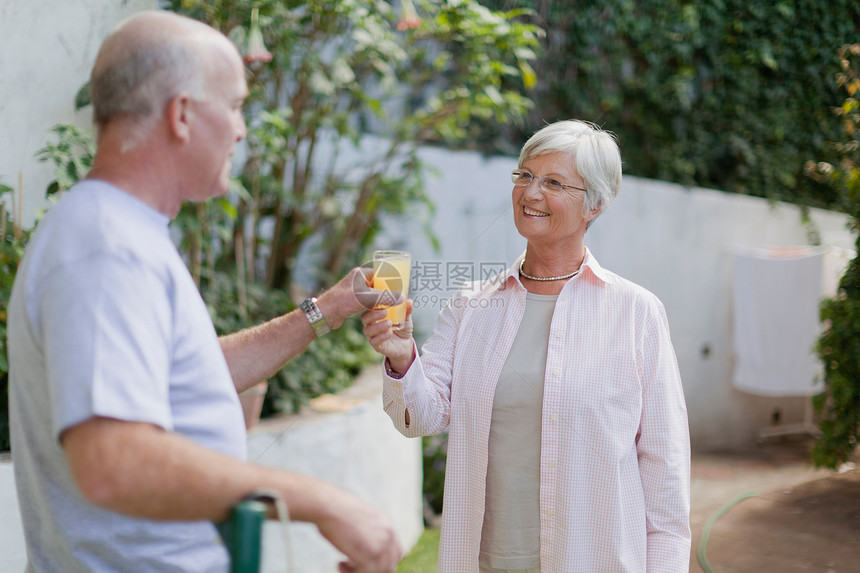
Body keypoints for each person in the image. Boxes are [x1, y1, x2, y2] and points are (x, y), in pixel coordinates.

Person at [7, 11, 402, 573]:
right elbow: (111, 462)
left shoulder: (118, 233)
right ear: (183, 114)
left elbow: (182, 375)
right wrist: (321, 502)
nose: (242, 129)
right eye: (237, 105)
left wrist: (328, 309)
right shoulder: (106, 248)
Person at [362, 120, 691, 572]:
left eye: (553, 182)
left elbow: (665, 474)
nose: (530, 193)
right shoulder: (471, 307)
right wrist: (401, 356)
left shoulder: (636, 314)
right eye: (524, 176)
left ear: (593, 203)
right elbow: (420, 417)